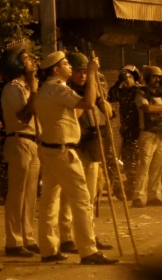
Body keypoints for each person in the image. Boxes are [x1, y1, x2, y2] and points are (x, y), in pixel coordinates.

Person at [34, 51, 116, 265]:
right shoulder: (58, 89)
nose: (70, 67)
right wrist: (91, 73)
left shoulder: (45, 89)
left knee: (49, 202)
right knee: (81, 200)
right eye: (66, 64)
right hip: (63, 151)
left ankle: (49, 248)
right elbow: (88, 103)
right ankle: (88, 250)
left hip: (50, 149)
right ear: (55, 69)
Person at [58, 52, 114, 253]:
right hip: (75, 147)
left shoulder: (94, 89)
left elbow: (108, 114)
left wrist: (99, 97)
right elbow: (76, 114)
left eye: (85, 72)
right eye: (79, 72)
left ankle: (89, 234)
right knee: (69, 195)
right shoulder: (67, 92)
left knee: (90, 196)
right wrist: (87, 95)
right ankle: (66, 237)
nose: (82, 76)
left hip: (93, 147)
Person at [132, 66, 162, 208]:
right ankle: (138, 196)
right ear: (147, 77)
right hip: (148, 133)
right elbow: (147, 108)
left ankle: (152, 195)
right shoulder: (141, 93)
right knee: (144, 166)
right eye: (155, 76)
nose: (157, 79)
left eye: (159, 77)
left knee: (157, 167)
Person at [107, 65, 142, 198]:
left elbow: (138, 111)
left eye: (129, 77)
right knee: (127, 160)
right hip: (126, 133)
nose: (126, 81)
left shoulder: (138, 90)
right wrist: (119, 80)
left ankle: (134, 189)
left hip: (136, 131)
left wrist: (128, 124)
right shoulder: (122, 91)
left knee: (134, 161)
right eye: (124, 78)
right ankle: (129, 188)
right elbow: (111, 96)